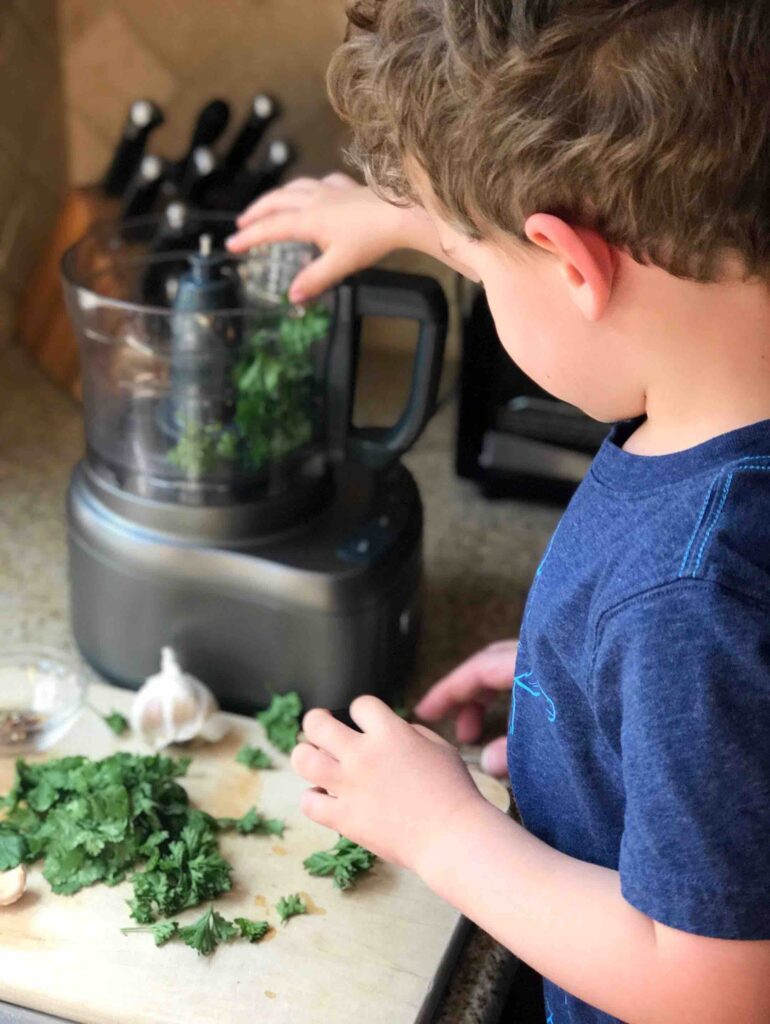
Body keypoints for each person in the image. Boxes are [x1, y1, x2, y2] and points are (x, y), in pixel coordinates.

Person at [226, 2, 770, 1020]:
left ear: (571, 264)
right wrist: (593, 699)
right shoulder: (723, 455)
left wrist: (443, 833)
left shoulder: (692, 602)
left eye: (472, 268)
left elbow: (714, 986)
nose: (467, 273)